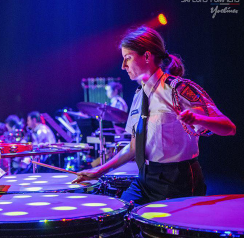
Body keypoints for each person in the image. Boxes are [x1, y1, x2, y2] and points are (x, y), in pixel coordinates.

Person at [73, 26, 236, 206]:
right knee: (120, 214)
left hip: (176, 180)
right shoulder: (138, 95)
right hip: (145, 178)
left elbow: (228, 127)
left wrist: (198, 119)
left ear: (147, 56)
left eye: (128, 58)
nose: (123, 66)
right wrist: (98, 171)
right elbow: (134, 147)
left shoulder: (178, 88)